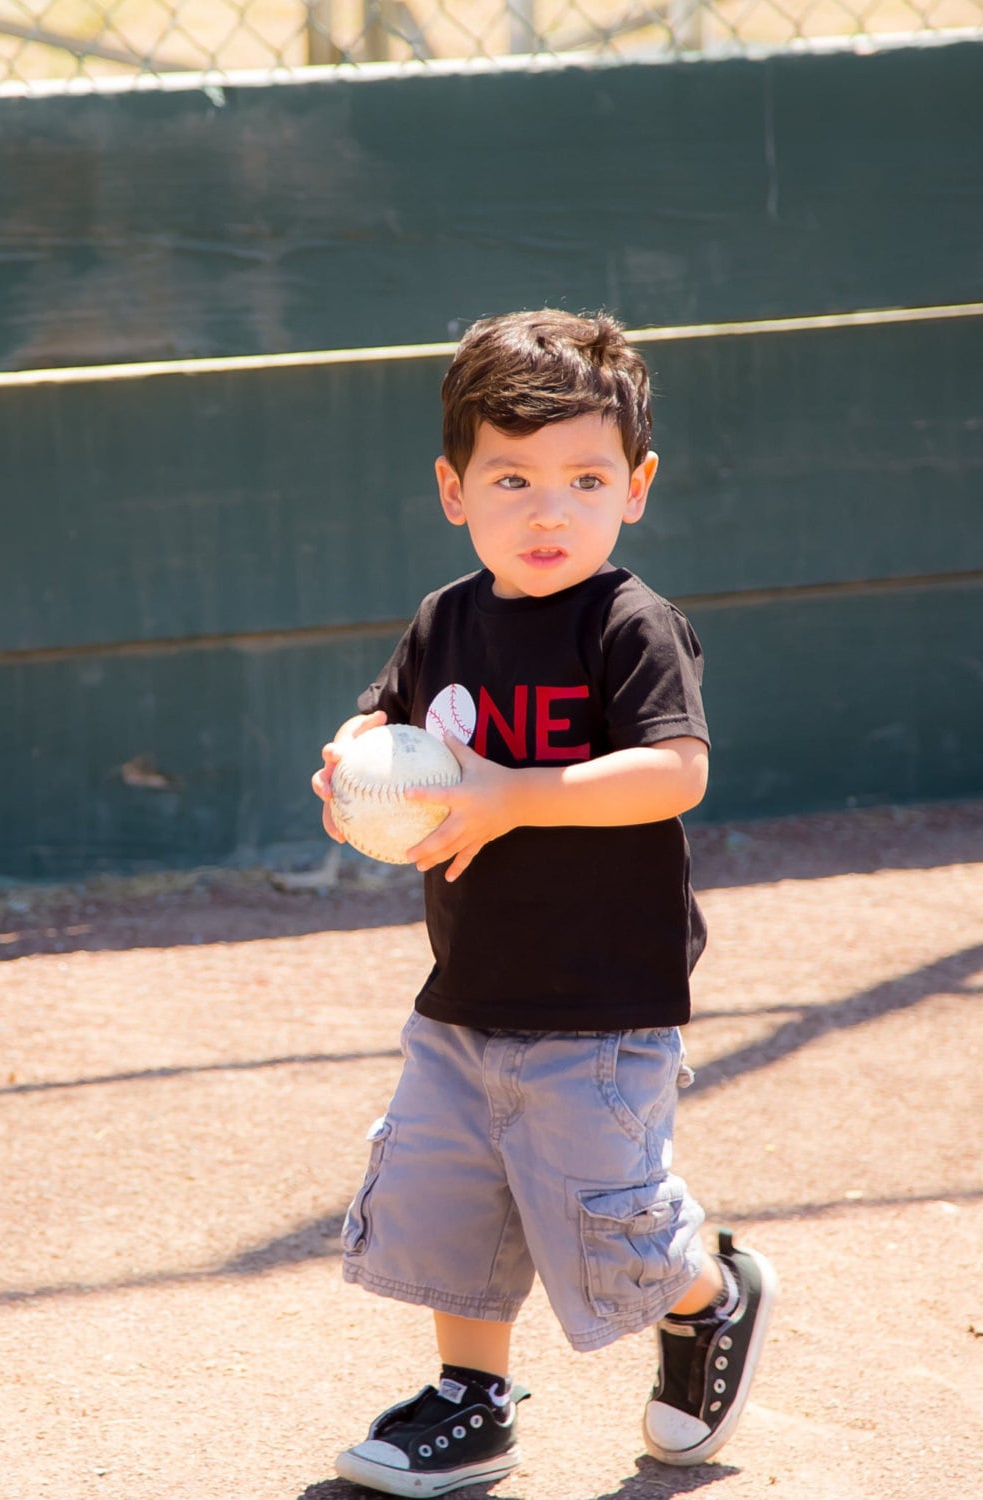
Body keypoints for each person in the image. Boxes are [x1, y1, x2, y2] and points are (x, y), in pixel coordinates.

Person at [312, 309, 776, 1497]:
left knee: (608, 1221)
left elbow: (676, 772)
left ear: (636, 486)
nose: (547, 508)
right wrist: (350, 766)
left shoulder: (629, 624)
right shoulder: (443, 620)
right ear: (453, 489)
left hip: (603, 1001)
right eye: (510, 477)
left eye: (584, 477)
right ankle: (473, 1403)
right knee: (446, 1206)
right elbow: (387, 731)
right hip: (465, 989)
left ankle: (708, 1299)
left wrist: (514, 793)